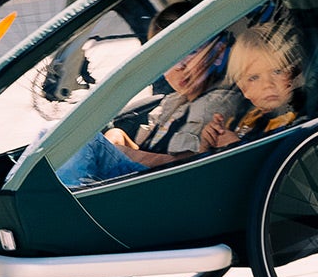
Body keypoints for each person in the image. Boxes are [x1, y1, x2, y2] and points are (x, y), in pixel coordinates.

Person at [58, 18, 303, 186]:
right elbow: (207, 160)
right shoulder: (246, 116)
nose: (267, 84)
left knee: (84, 141)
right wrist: (210, 145)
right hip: (172, 175)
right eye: (254, 78)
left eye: (277, 72)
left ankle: (61, 198)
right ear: (244, 87)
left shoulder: (223, 106)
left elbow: (195, 165)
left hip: (172, 186)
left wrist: (234, 147)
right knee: (89, 138)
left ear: (291, 75)